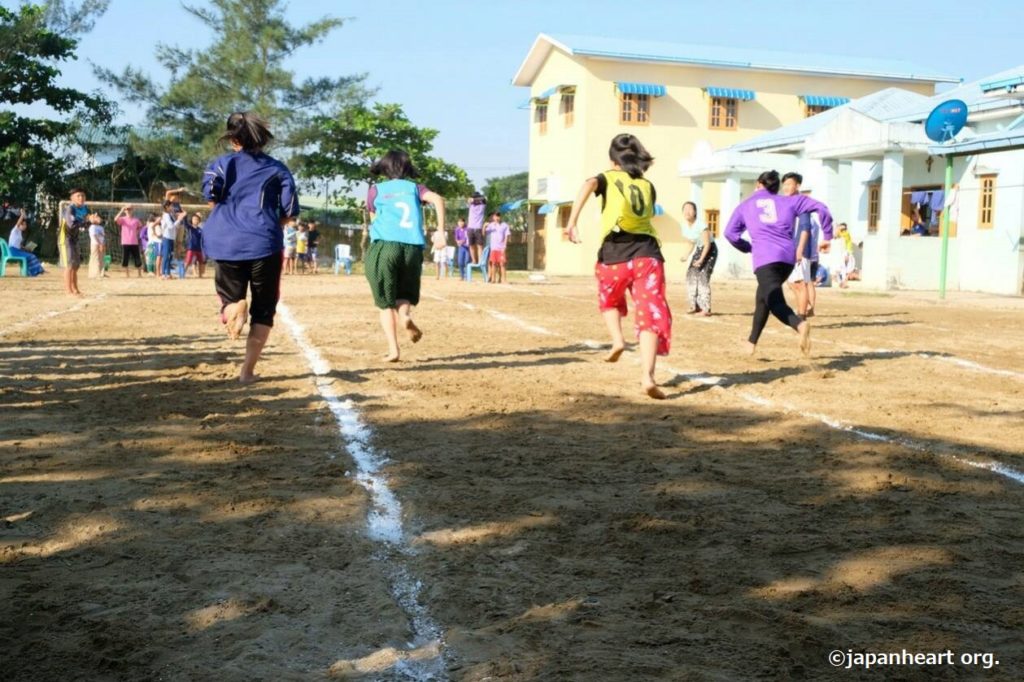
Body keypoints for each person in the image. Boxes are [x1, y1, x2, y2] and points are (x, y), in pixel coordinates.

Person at [564, 133, 671, 400]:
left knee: (609, 300)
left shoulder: (607, 177)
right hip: (648, 254)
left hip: (614, 254)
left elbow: (588, 183)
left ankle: (617, 340)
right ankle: (648, 376)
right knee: (650, 313)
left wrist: (572, 220)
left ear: (613, 160)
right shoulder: (647, 185)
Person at [202, 111, 299, 384]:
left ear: (233, 139)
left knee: (229, 299)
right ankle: (247, 372)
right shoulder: (278, 169)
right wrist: (268, 223)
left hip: (225, 240)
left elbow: (211, 196)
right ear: (262, 139)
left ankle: (233, 306)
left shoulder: (219, 165)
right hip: (264, 241)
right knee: (264, 309)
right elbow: (290, 211)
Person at [724, 170, 833, 357]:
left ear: (758, 184)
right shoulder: (789, 200)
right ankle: (751, 342)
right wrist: (828, 235)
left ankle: (799, 324)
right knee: (763, 297)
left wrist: (747, 247)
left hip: (765, 258)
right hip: (787, 258)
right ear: (776, 187)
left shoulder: (746, 205)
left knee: (774, 300)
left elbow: (730, 234)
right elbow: (822, 208)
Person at [364, 149, 446, 362]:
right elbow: (438, 199)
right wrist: (439, 232)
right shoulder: (415, 188)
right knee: (404, 294)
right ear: (407, 168)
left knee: (385, 303)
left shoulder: (376, 190)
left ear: (384, 167)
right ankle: (406, 315)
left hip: (385, 247)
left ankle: (394, 350)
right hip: (412, 248)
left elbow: (373, 218)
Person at [780, 173, 820, 317]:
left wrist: (800, 249)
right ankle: (803, 311)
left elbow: (805, 228)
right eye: (784, 184)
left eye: (789, 184)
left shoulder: (801, 203)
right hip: (790, 249)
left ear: (797, 186)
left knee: (799, 283)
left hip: (799, 250)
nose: (785, 187)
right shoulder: (787, 202)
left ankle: (801, 316)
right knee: (793, 283)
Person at [680, 201, 716, 315]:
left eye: (690, 209)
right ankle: (693, 306)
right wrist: (686, 255)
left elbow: (707, 244)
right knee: (690, 274)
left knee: (702, 277)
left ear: (695, 212)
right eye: (685, 209)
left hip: (709, 250)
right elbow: (691, 243)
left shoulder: (701, 225)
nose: (687, 211)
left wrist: (701, 260)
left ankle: (705, 308)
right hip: (700, 249)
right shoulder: (685, 227)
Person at [59, 188, 89, 296]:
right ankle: (68, 290)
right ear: (72, 198)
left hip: (75, 238)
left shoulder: (85, 208)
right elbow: (71, 225)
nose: (81, 198)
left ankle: (75, 289)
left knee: (76, 266)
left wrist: (92, 221)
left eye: (83, 196)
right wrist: (87, 221)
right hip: (65, 238)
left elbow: (85, 225)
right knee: (69, 265)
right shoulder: (69, 209)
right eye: (78, 196)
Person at [6, 209, 44, 276]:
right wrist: (22, 215)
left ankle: (33, 272)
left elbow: (18, 245)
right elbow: (18, 223)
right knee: (32, 256)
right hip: (13, 251)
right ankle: (34, 272)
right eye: (23, 225)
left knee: (31, 255)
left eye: (25, 225)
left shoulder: (19, 233)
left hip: (17, 250)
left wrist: (25, 248)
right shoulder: (15, 230)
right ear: (20, 225)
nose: (25, 226)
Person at [115, 205, 144, 277]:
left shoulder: (136, 220)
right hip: (125, 242)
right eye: (127, 209)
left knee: (137, 258)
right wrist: (121, 210)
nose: (128, 211)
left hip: (134, 242)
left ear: (132, 210)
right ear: (125, 211)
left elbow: (141, 226)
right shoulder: (122, 219)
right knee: (126, 258)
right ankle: (127, 274)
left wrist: (137, 232)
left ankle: (139, 274)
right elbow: (115, 219)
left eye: (130, 209)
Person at [159, 200, 185, 279]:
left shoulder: (170, 215)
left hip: (171, 238)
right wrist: (179, 219)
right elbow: (171, 226)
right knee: (166, 256)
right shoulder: (166, 215)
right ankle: (163, 273)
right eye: (171, 206)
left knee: (170, 256)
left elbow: (174, 226)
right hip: (167, 238)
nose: (172, 207)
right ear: (167, 207)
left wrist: (177, 219)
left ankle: (168, 273)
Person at [484, 212, 511, 283]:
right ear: (493, 217)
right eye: (495, 216)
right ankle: (493, 279)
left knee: (502, 264)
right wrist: (484, 226)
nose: (497, 218)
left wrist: (505, 246)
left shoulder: (504, 225)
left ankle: (503, 279)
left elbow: (506, 236)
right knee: (493, 264)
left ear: (500, 217)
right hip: (493, 248)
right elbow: (484, 233)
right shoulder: (491, 225)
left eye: (498, 216)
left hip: (501, 248)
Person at [466, 191, 486, 264]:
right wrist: (472, 200)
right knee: (471, 246)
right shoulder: (471, 205)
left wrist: (475, 199)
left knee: (479, 246)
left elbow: (485, 199)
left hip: (478, 228)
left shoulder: (482, 205)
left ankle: (480, 261)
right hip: (470, 228)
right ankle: (474, 260)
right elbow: (468, 200)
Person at [185, 213, 206, 278]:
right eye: (194, 219)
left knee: (201, 262)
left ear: (199, 221)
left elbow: (203, 239)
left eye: (197, 219)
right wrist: (184, 216)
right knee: (188, 261)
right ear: (191, 220)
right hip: (191, 247)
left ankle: (200, 275)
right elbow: (185, 223)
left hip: (199, 248)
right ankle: (182, 273)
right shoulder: (190, 228)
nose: (195, 220)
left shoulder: (200, 230)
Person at [87, 213, 107, 279]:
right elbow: (94, 236)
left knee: (102, 258)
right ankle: (95, 274)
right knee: (95, 259)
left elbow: (103, 236)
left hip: (101, 244)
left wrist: (103, 244)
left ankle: (102, 273)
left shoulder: (101, 227)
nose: (99, 218)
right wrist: (100, 244)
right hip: (95, 244)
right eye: (97, 217)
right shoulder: (92, 227)